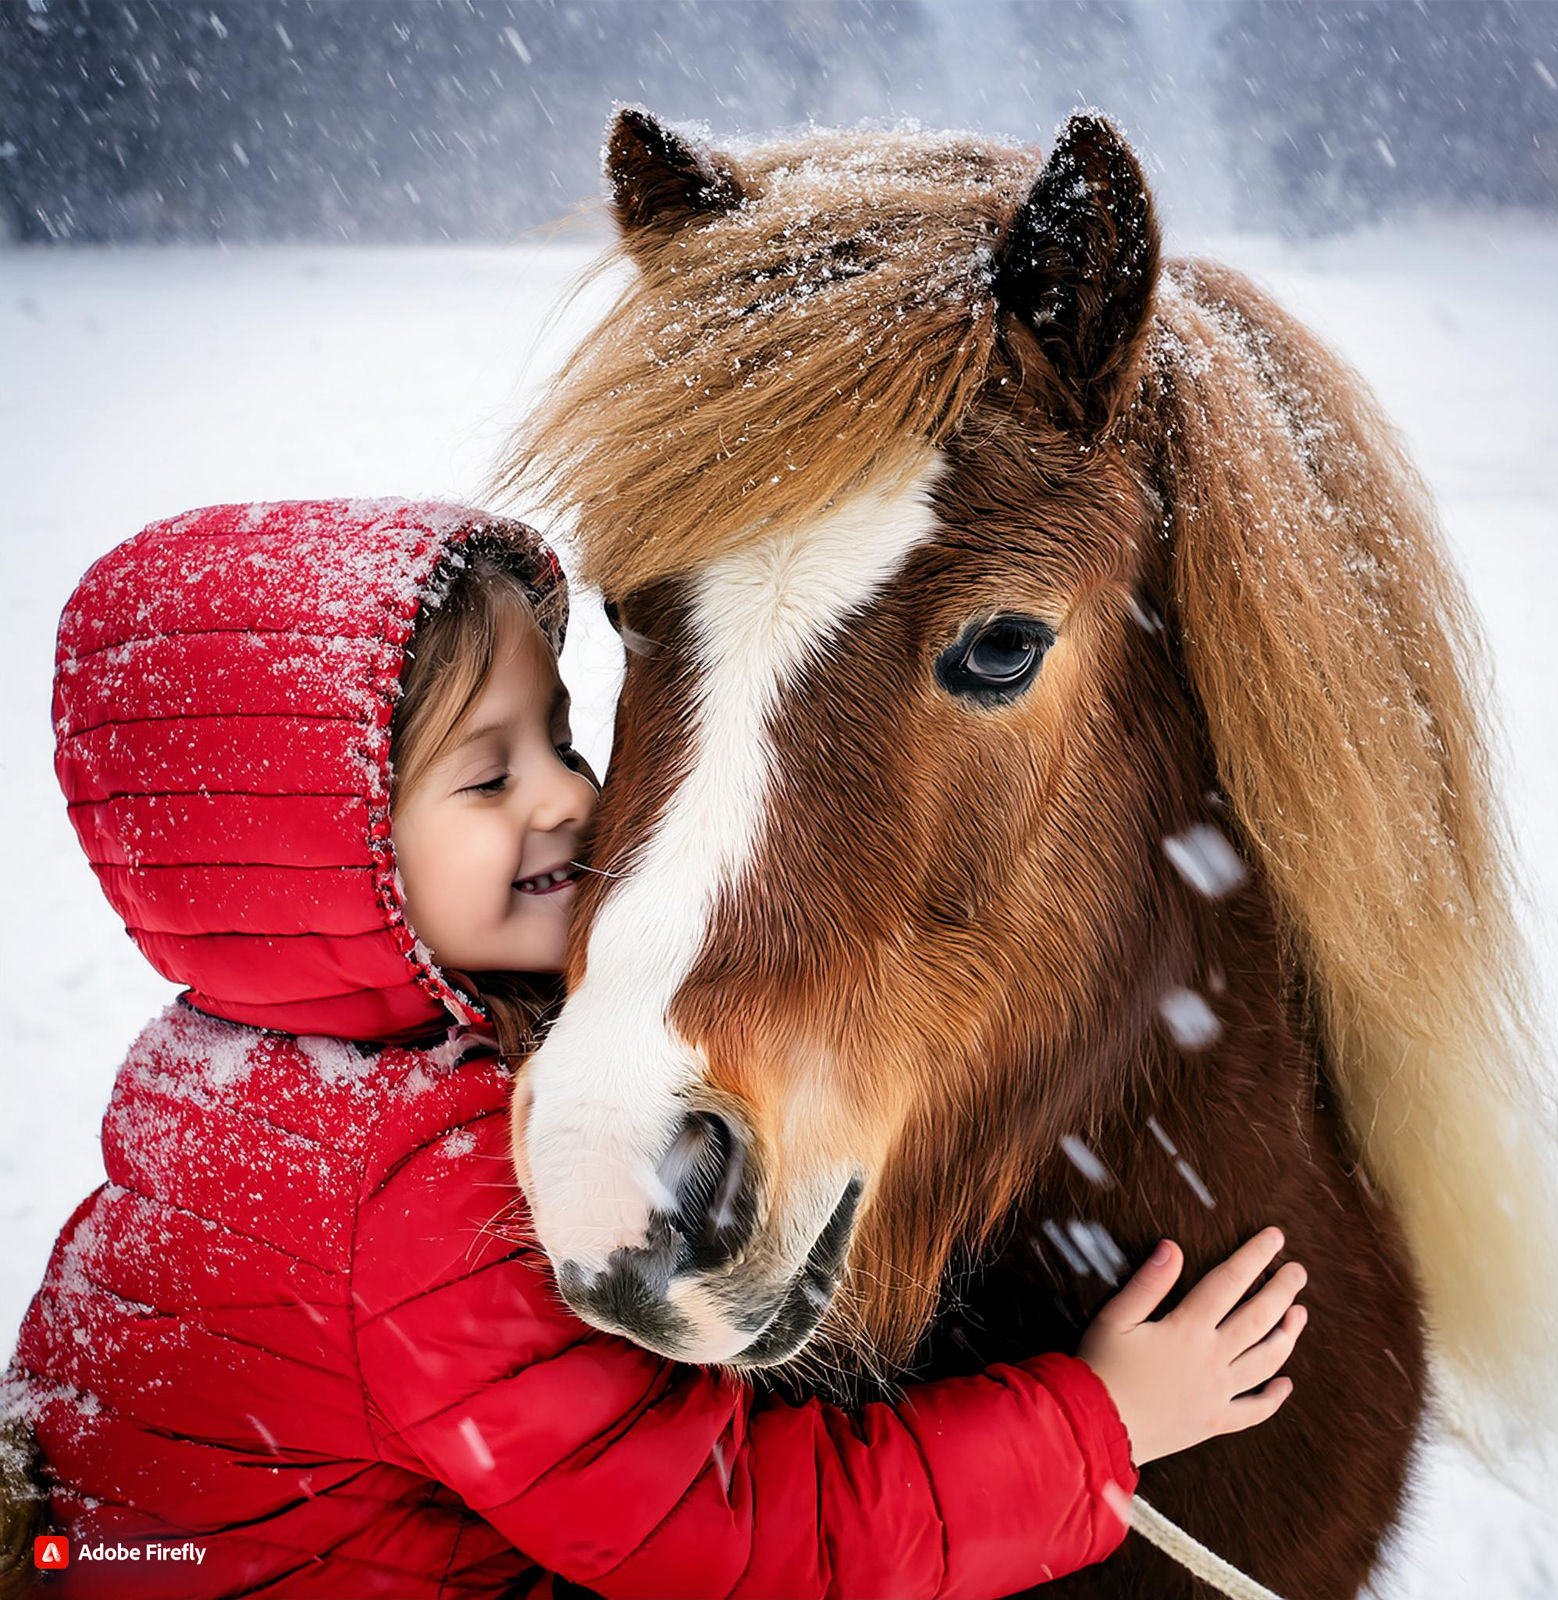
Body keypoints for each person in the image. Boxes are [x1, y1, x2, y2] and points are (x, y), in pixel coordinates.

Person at [1, 499, 1307, 1599]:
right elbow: (730, 1542)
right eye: (488, 776)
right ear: (328, 858)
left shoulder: (229, 1064)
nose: (575, 796)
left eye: (565, 739)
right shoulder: (427, 1211)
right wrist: (1100, 1429)